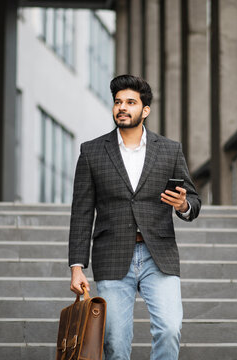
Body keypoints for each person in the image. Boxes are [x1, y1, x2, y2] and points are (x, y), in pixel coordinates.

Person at [68, 74, 201, 360]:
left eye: (130, 102)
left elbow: (193, 200)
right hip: (112, 255)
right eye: (118, 102)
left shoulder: (169, 149)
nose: (122, 108)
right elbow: (81, 212)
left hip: (159, 255)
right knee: (115, 342)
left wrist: (183, 205)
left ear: (145, 110)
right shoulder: (92, 152)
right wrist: (77, 266)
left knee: (169, 328)